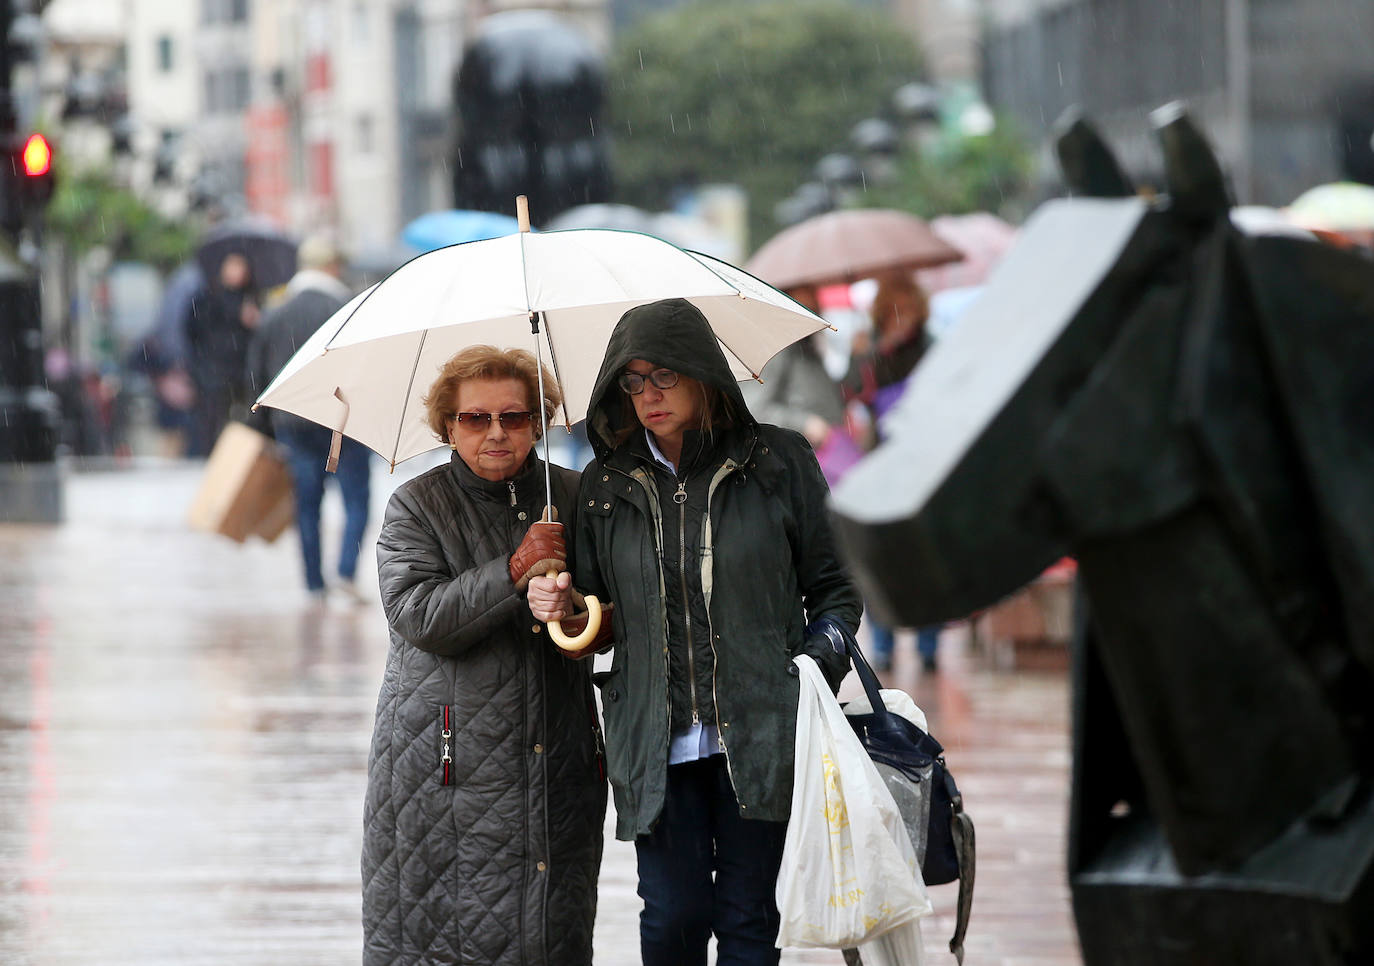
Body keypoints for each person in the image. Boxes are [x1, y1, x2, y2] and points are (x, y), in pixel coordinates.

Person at [527, 298, 861, 965]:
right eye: (632, 380)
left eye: (663, 376)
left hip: (761, 728)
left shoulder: (779, 463)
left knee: (748, 919)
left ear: (702, 373)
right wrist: (558, 601)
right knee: (673, 917)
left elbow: (836, 589)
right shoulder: (604, 486)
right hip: (657, 739)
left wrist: (811, 667)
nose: (647, 394)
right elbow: (595, 622)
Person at [362, 345, 607, 966]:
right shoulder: (416, 505)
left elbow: (619, 616)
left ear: (539, 422)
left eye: (516, 417)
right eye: (476, 419)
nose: (497, 433)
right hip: (446, 759)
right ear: (449, 425)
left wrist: (575, 612)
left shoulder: (574, 496)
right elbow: (418, 615)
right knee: (444, 931)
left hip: (554, 753)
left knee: (549, 929)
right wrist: (515, 570)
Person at [246, 234, 372, 603]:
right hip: (343, 420)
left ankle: (314, 584)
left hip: (293, 422)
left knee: (307, 505)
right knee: (356, 500)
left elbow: (256, 374)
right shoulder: (347, 308)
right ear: (332, 266)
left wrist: (267, 426)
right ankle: (347, 571)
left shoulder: (275, 312)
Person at [843, 273, 941, 672]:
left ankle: (928, 645)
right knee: (879, 556)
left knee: (925, 557)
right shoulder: (867, 347)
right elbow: (848, 393)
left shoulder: (932, 346)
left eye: (909, 309)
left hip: (923, 462)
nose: (902, 317)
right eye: (894, 309)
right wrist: (869, 356)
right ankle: (882, 645)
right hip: (879, 463)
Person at [738, 285, 859, 486]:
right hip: (797, 466)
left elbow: (829, 395)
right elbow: (754, 410)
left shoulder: (807, 346)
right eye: (806, 295)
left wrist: (857, 358)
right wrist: (805, 423)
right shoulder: (775, 350)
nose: (816, 303)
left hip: (823, 459)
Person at [187, 251, 261, 449]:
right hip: (214, 371)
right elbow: (194, 330)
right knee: (213, 420)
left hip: (243, 371)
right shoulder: (208, 297)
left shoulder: (251, 297)